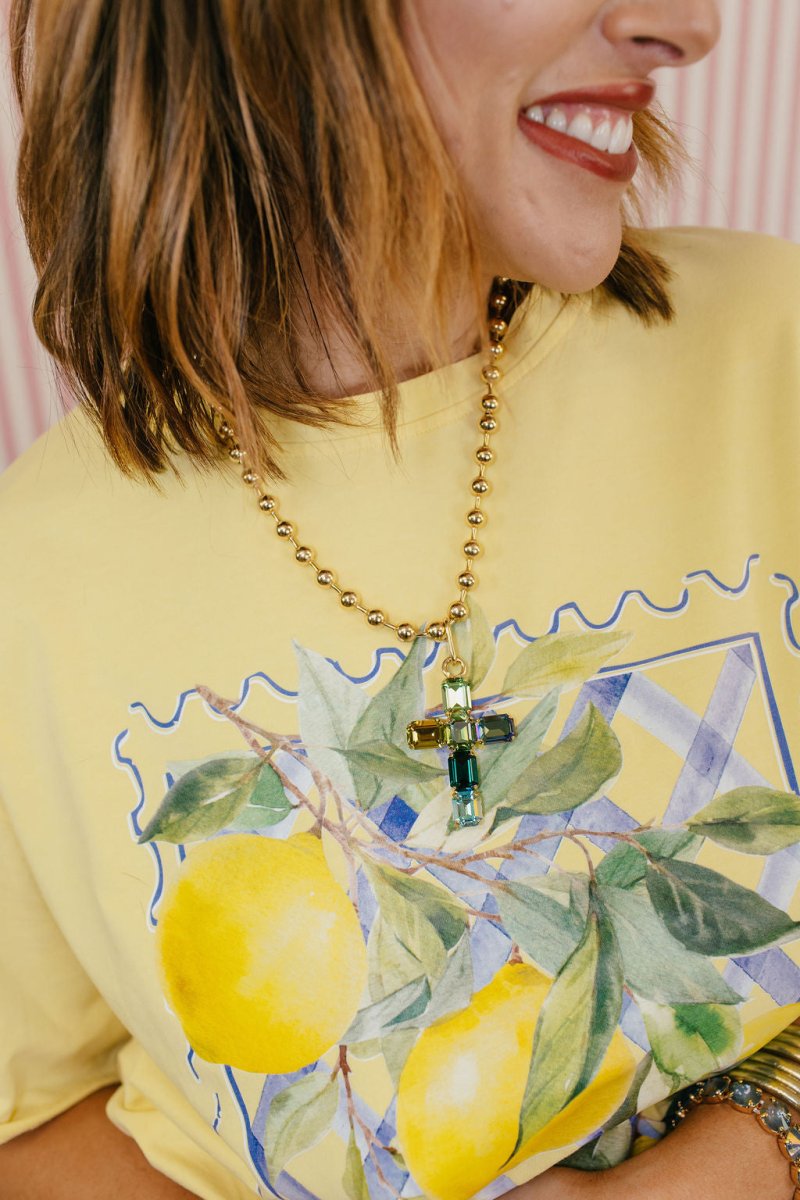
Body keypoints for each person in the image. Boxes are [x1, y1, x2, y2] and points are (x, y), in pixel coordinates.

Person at [2, 2, 800, 1199]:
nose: (683, 26)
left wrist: (741, 1156)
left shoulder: (776, 348)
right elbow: (32, 1122)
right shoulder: (28, 580)